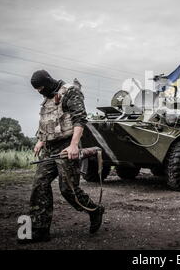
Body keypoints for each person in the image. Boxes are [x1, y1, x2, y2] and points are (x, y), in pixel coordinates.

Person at [19, 70, 104, 243]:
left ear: (48, 81)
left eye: (41, 88)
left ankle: (94, 210)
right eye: (37, 90)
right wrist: (40, 141)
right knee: (39, 185)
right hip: (49, 148)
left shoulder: (70, 91)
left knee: (68, 190)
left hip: (67, 146)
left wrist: (73, 145)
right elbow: (47, 122)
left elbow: (80, 119)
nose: (40, 92)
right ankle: (39, 229)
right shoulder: (48, 97)